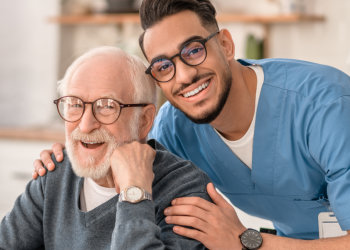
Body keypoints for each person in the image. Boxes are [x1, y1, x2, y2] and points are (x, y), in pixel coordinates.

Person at [33, 0, 350, 249]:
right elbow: (129, 170)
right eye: (163, 66)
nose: (183, 76)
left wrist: (245, 242)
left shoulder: (327, 108)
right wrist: (72, 163)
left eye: (194, 50)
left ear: (225, 45)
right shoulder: (175, 127)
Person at [0, 46, 212, 249]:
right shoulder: (54, 174)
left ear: (144, 121)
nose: (85, 125)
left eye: (107, 106)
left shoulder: (185, 188)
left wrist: (135, 193)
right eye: (74, 104)